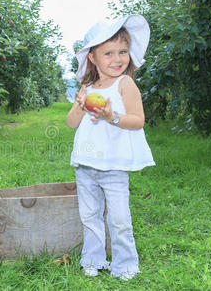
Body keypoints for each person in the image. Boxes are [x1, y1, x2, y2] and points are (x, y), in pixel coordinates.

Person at [66, 15, 155, 281]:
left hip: (114, 165)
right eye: (108, 53)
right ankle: (93, 259)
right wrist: (81, 106)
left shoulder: (125, 84)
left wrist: (110, 117)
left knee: (118, 218)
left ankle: (125, 264)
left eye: (123, 52)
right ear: (92, 57)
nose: (117, 59)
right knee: (90, 215)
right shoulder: (88, 86)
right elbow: (71, 124)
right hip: (85, 163)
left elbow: (138, 120)